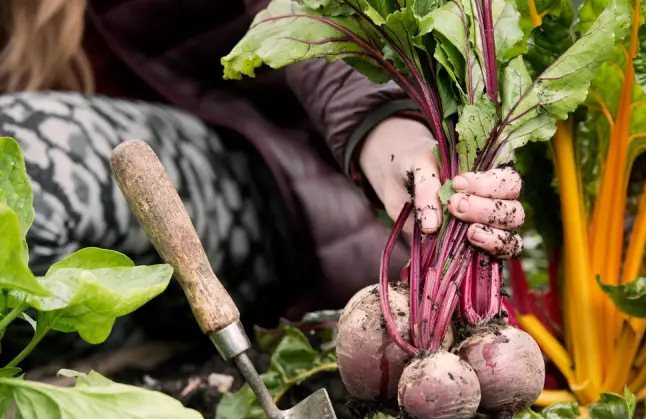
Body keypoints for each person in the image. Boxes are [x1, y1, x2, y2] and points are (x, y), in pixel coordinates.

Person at [0, 0, 525, 362]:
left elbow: (309, 13)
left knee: (12, 155)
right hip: (118, 216)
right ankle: (134, 362)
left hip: (288, 197)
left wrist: (385, 129)